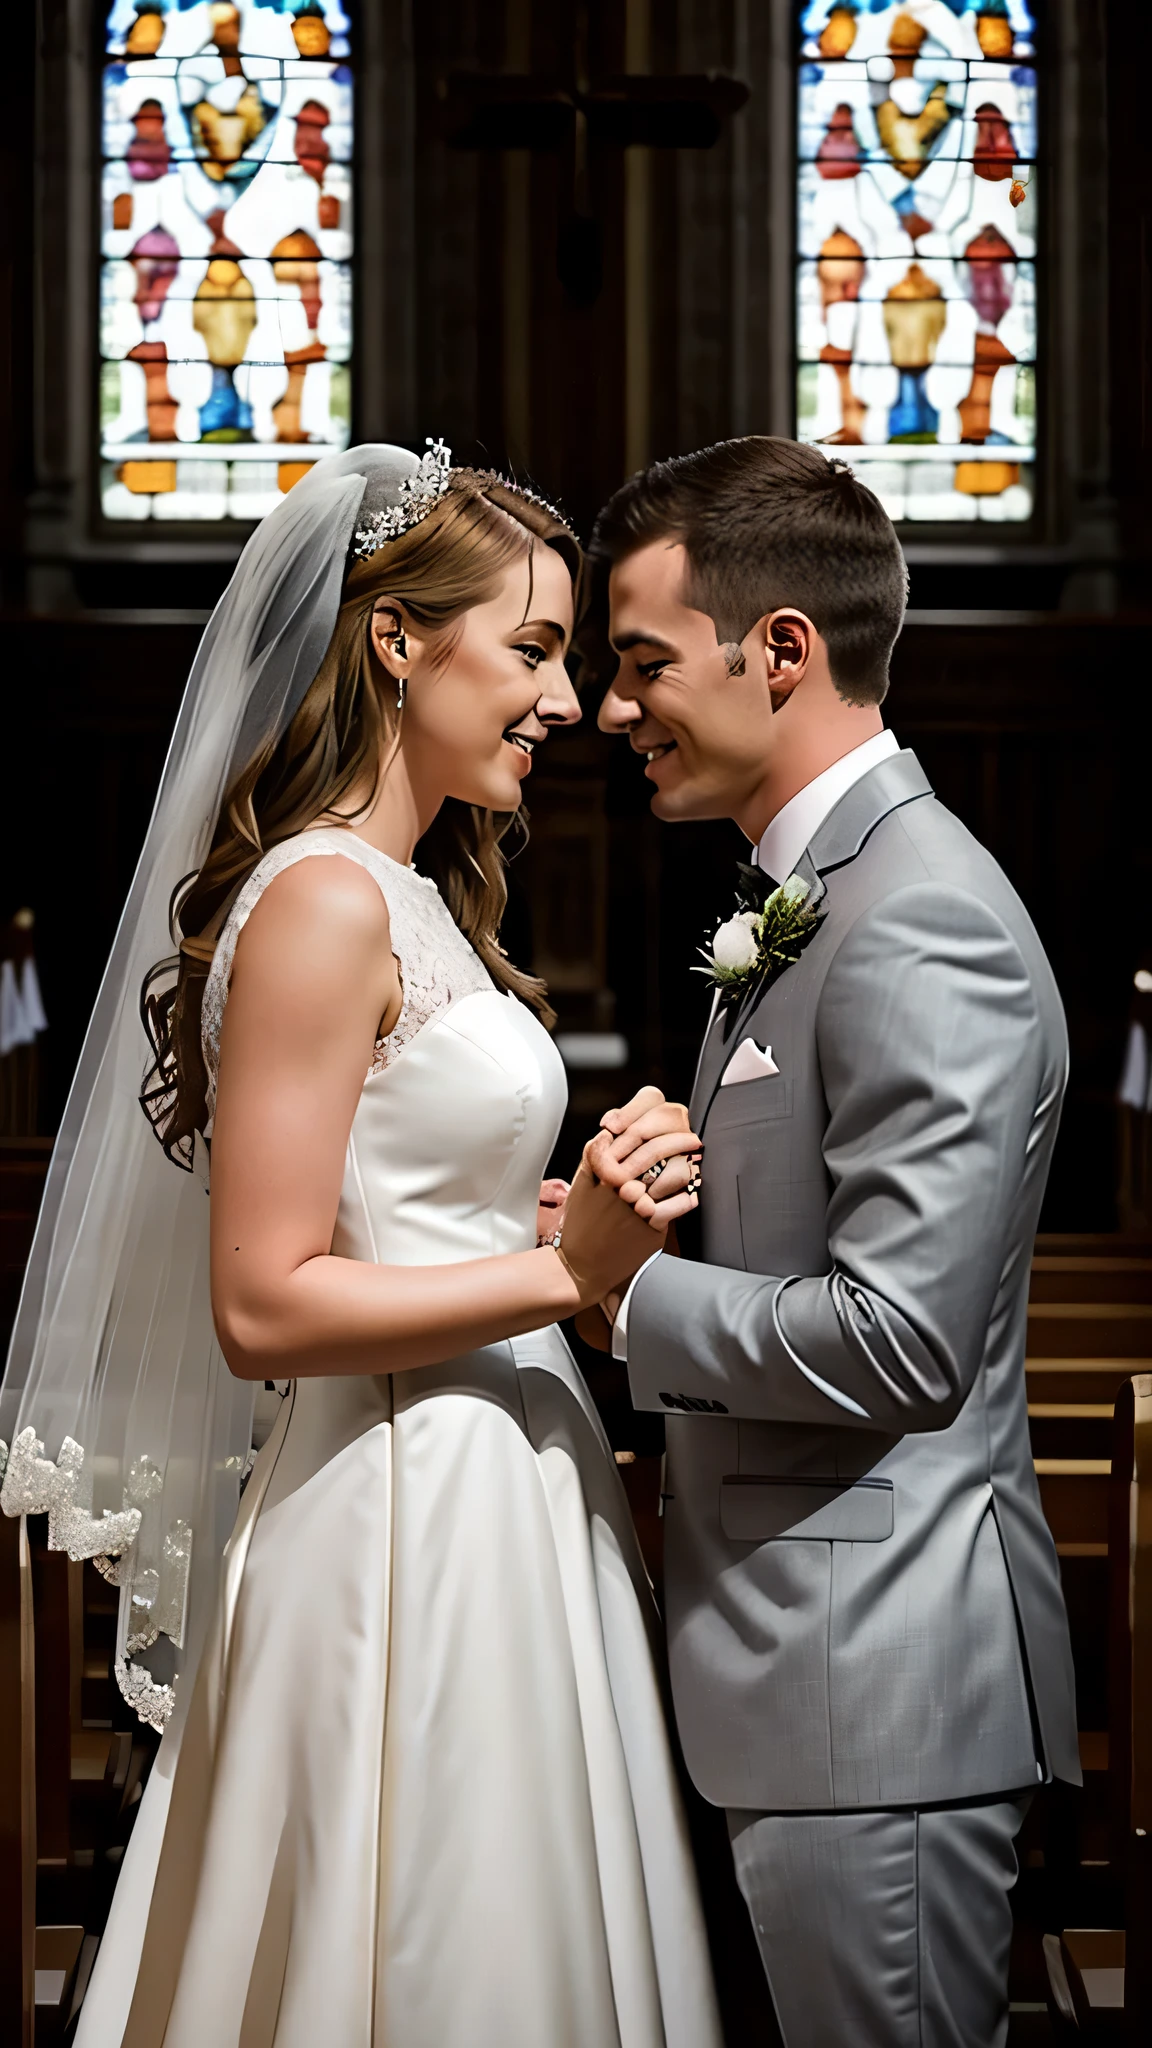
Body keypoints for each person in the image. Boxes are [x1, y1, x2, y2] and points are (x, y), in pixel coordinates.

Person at [0, 444, 722, 2047]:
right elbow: (264, 1301)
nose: (560, 699)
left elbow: (389, 1204)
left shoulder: (412, 895)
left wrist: (541, 1216)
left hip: (502, 1469)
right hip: (398, 1505)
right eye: (530, 649)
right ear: (397, 640)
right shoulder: (324, 899)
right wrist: (570, 1271)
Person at [585, 435, 1080, 2048]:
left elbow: (903, 1340)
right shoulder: (814, 899)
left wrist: (626, 1297)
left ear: (779, 650)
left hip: (878, 1702)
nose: (608, 708)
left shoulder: (922, 913)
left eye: (642, 661)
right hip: (798, 1680)